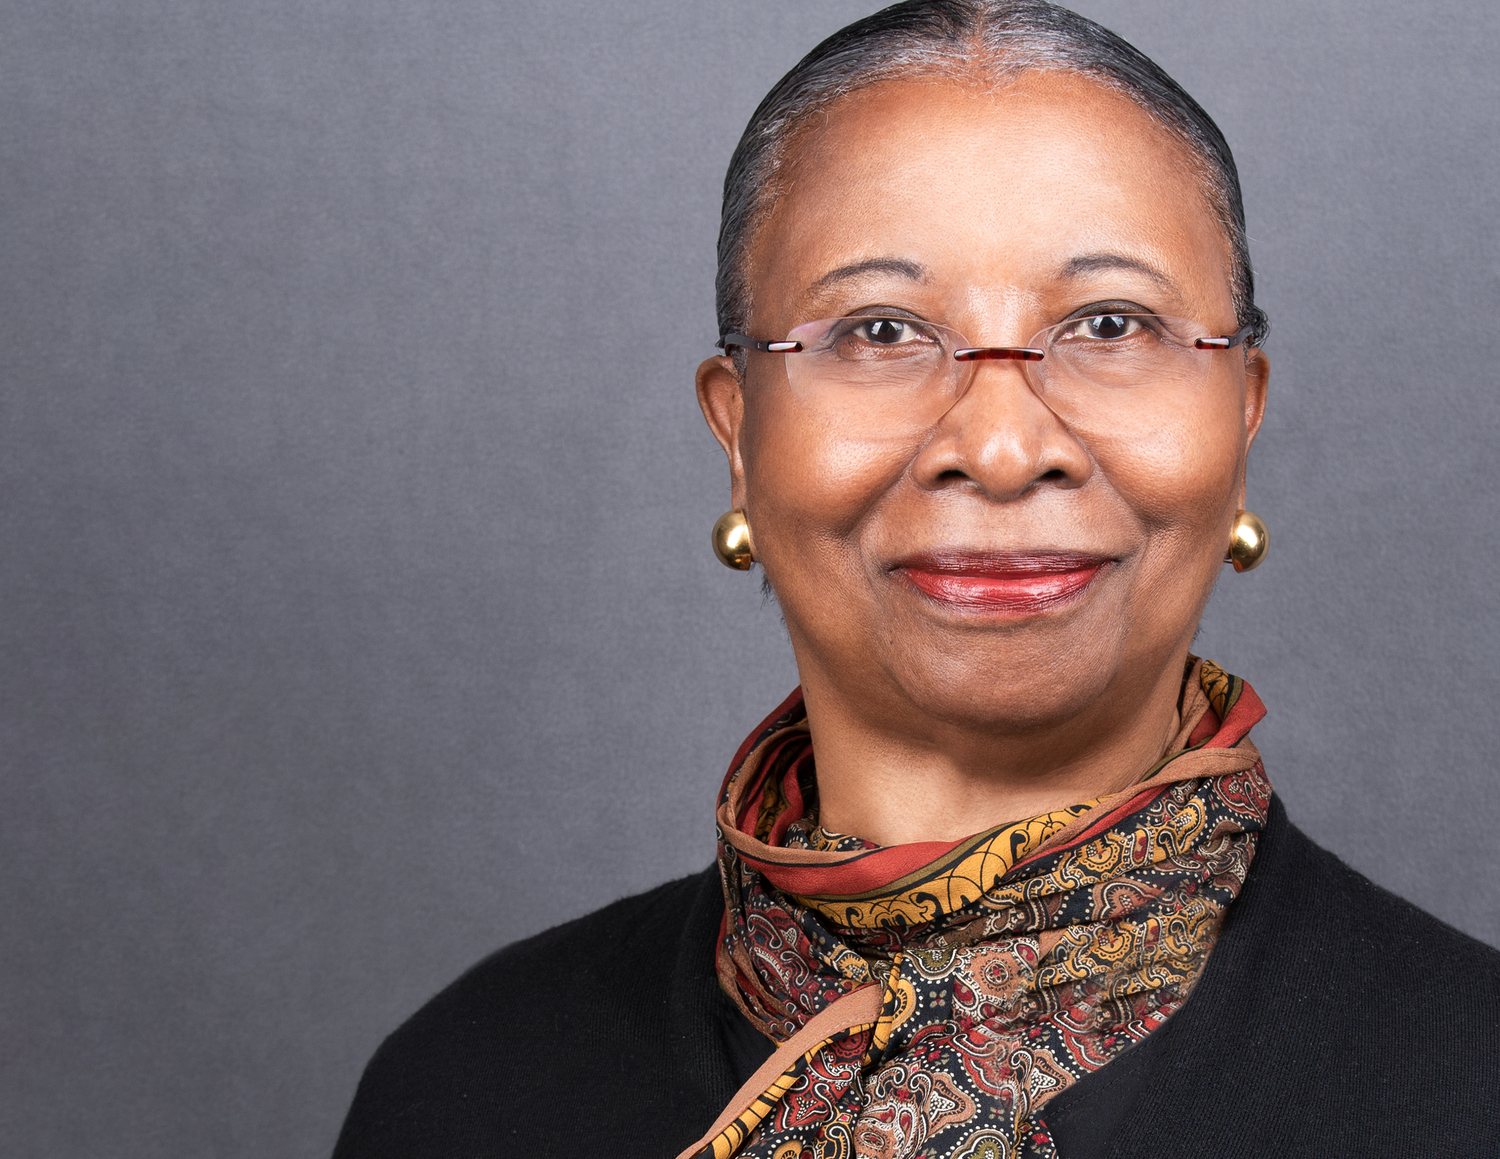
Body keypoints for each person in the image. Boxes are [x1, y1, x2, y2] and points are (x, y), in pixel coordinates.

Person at [331, 2, 1500, 1156]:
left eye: (1109, 323)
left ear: (1243, 414)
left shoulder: (1469, 1084)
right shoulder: (468, 1091)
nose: (1000, 447)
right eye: (882, 331)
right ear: (738, 435)